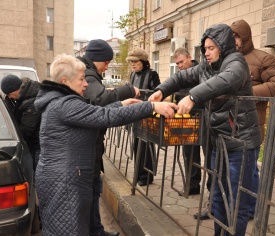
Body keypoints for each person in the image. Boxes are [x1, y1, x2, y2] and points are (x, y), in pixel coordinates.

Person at [34, 53, 177, 236]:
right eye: (81, 79)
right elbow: (104, 117)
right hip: (64, 180)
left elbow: (93, 114)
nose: (86, 84)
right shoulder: (65, 104)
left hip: (63, 177)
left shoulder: (60, 101)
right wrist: (150, 108)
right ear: (65, 81)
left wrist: (121, 105)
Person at [149, 24, 262, 236]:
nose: (206, 53)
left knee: (236, 199)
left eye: (211, 48)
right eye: (205, 48)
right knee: (218, 195)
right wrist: (161, 90)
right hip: (217, 140)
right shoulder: (206, 66)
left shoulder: (236, 62)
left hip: (240, 142)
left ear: (223, 46)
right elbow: (181, 77)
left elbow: (228, 79)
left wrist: (193, 96)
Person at [78, 39, 140, 236]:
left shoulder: (88, 72)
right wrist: (127, 90)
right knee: (91, 192)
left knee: (93, 191)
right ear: (97, 59)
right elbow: (99, 100)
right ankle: (94, 232)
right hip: (86, 148)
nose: (107, 66)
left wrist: (122, 104)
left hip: (89, 146)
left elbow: (99, 105)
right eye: (106, 62)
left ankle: (97, 230)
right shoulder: (88, 74)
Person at [230, 19, 275, 220]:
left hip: (251, 123)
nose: (234, 40)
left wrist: (248, 93)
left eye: (237, 36)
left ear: (245, 37)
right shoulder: (226, 59)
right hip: (227, 122)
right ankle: (227, 205)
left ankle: (251, 210)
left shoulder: (262, 58)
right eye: (231, 36)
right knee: (229, 167)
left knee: (249, 169)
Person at [126, 48, 161, 186]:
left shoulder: (152, 74)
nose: (133, 65)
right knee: (136, 145)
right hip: (134, 114)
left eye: (135, 62)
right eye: (131, 62)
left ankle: (147, 175)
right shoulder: (132, 75)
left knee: (146, 145)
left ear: (143, 62)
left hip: (147, 114)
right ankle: (139, 173)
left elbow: (158, 92)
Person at [172, 47, 202, 195]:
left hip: (202, 117)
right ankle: (192, 185)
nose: (180, 66)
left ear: (190, 57)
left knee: (209, 155)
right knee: (189, 153)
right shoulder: (180, 76)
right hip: (186, 119)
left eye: (181, 62)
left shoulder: (201, 71)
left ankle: (213, 190)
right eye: (177, 64)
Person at [1, 74, 41, 170]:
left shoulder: (32, 101)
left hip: (39, 145)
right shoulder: (25, 95)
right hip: (35, 142)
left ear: (15, 90)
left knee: (36, 174)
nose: (9, 97)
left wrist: (5, 134)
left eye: (9, 94)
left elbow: (26, 131)